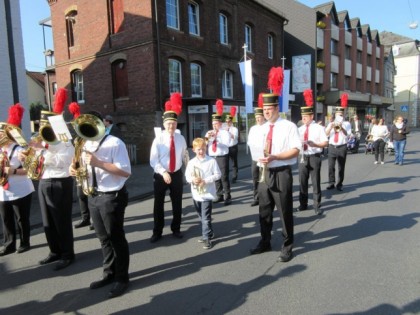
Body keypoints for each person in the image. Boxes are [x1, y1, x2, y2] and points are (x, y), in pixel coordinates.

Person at [70, 111, 131, 298]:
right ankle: (109, 273)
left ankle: (122, 278)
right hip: (93, 195)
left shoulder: (115, 143)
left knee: (115, 237)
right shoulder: (83, 144)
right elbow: (79, 168)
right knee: (103, 238)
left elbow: (125, 172)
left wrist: (98, 163)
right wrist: (73, 169)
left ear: (101, 125)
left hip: (111, 196)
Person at [20, 88, 76, 271]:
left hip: (60, 182)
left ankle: (67, 254)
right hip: (44, 181)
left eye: (47, 126)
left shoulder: (64, 140)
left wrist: (45, 151)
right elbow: (35, 163)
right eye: (43, 126)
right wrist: (26, 158)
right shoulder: (41, 141)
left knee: (61, 221)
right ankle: (54, 251)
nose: (44, 130)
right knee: (47, 221)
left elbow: (64, 161)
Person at [249, 93, 301, 263]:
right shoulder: (260, 128)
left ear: (277, 108)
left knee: (284, 211)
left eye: (269, 109)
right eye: (264, 110)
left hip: (281, 172)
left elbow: (295, 150)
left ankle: (287, 246)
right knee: (264, 210)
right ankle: (265, 241)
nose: (266, 113)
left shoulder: (289, 126)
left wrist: (275, 157)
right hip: (264, 171)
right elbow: (256, 149)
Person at [149, 93, 188, 243]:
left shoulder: (181, 138)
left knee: (177, 203)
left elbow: (184, 155)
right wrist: (163, 172)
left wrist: (189, 171)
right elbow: (153, 160)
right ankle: (157, 231)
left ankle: (176, 229)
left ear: (176, 124)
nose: (171, 126)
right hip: (160, 175)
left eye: (173, 123)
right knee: (158, 204)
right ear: (164, 124)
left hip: (176, 173)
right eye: (168, 123)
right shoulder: (158, 139)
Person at [0, 104, 35, 256]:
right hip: (3, 190)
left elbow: (30, 170)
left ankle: (25, 242)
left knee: (21, 218)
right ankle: (9, 244)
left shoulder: (19, 150)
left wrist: (13, 170)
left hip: (20, 189)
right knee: (6, 218)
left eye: (1, 134)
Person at [185, 138, 221, 250]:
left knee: (205, 217)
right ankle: (209, 232)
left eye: (203, 149)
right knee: (201, 216)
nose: (201, 151)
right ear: (194, 150)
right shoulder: (191, 163)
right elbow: (187, 176)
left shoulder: (211, 161)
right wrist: (192, 180)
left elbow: (218, 174)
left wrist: (206, 180)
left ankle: (206, 238)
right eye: (199, 149)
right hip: (196, 194)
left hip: (207, 193)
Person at [296, 90, 328, 215]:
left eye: (306, 116)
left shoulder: (319, 128)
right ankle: (303, 204)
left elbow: (325, 143)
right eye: (302, 116)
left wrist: (314, 144)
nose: (303, 118)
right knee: (302, 182)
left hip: (315, 156)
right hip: (303, 157)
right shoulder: (299, 129)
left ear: (311, 116)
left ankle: (317, 205)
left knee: (315, 182)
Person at [205, 99, 232, 205]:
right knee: (216, 177)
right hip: (212, 157)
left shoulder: (225, 133)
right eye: (213, 124)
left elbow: (227, 144)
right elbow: (206, 143)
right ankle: (219, 195)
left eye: (216, 124)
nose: (214, 126)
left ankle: (228, 196)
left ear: (220, 124)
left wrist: (217, 138)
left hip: (222, 156)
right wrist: (209, 138)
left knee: (224, 176)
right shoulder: (209, 132)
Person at [325, 94, 351, 192]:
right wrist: (331, 126)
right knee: (331, 166)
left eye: (341, 114)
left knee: (341, 166)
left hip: (342, 146)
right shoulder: (331, 123)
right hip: (332, 146)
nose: (339, 116)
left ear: (343, 115)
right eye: (337, 114)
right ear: (335, 115)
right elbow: (326, 135)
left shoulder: (347, 124)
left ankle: (339, 184)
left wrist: (342, 127)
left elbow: (347, 135)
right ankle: (331, 182)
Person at [247, 104, 265, 207]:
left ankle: (264, 197)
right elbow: (249, 141)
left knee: (263, 178)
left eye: (259, 117)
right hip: (255, 156)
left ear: (263, 117)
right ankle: (256, 197)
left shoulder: (266, 127)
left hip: (263, 156)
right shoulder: (253, 128)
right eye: (256, 117)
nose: (258, 119)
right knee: (255, 177)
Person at [225, 107, 239, 183]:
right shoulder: (224, 129)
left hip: (233, 147)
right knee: (225, 163)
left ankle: (234, 177)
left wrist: (228, 132)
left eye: (229, 121)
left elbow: (235, 137)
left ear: (231, 122)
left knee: (234, 163)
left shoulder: (235, 129)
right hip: (226, 147)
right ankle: (226, 176)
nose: (227, 123)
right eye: (226, 121)